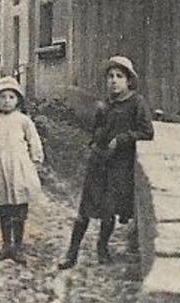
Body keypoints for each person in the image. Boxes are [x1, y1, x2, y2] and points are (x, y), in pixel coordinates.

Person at [58, 55, 154, 270]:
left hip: (119, 166)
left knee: (108, 212)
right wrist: (95, 142)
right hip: (98, 163)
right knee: (84, 212)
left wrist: (121, 140)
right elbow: (96, 130)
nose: (113, 80)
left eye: (119, 76)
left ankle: (102, 248)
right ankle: (71, 255)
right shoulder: (106, 105)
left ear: (129, 81)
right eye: (110, 76)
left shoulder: (136, 103)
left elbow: (147, 132)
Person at [0, 75, 45, 264]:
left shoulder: (23, 121)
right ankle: (6, 244)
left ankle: (18, 246)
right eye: (3, 97)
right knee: (4, 208)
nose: (7, 101)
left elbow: (34, 142)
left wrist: (36, 161)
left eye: (11, 97)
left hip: (20, 170)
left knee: (19, 207)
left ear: (18, 100)